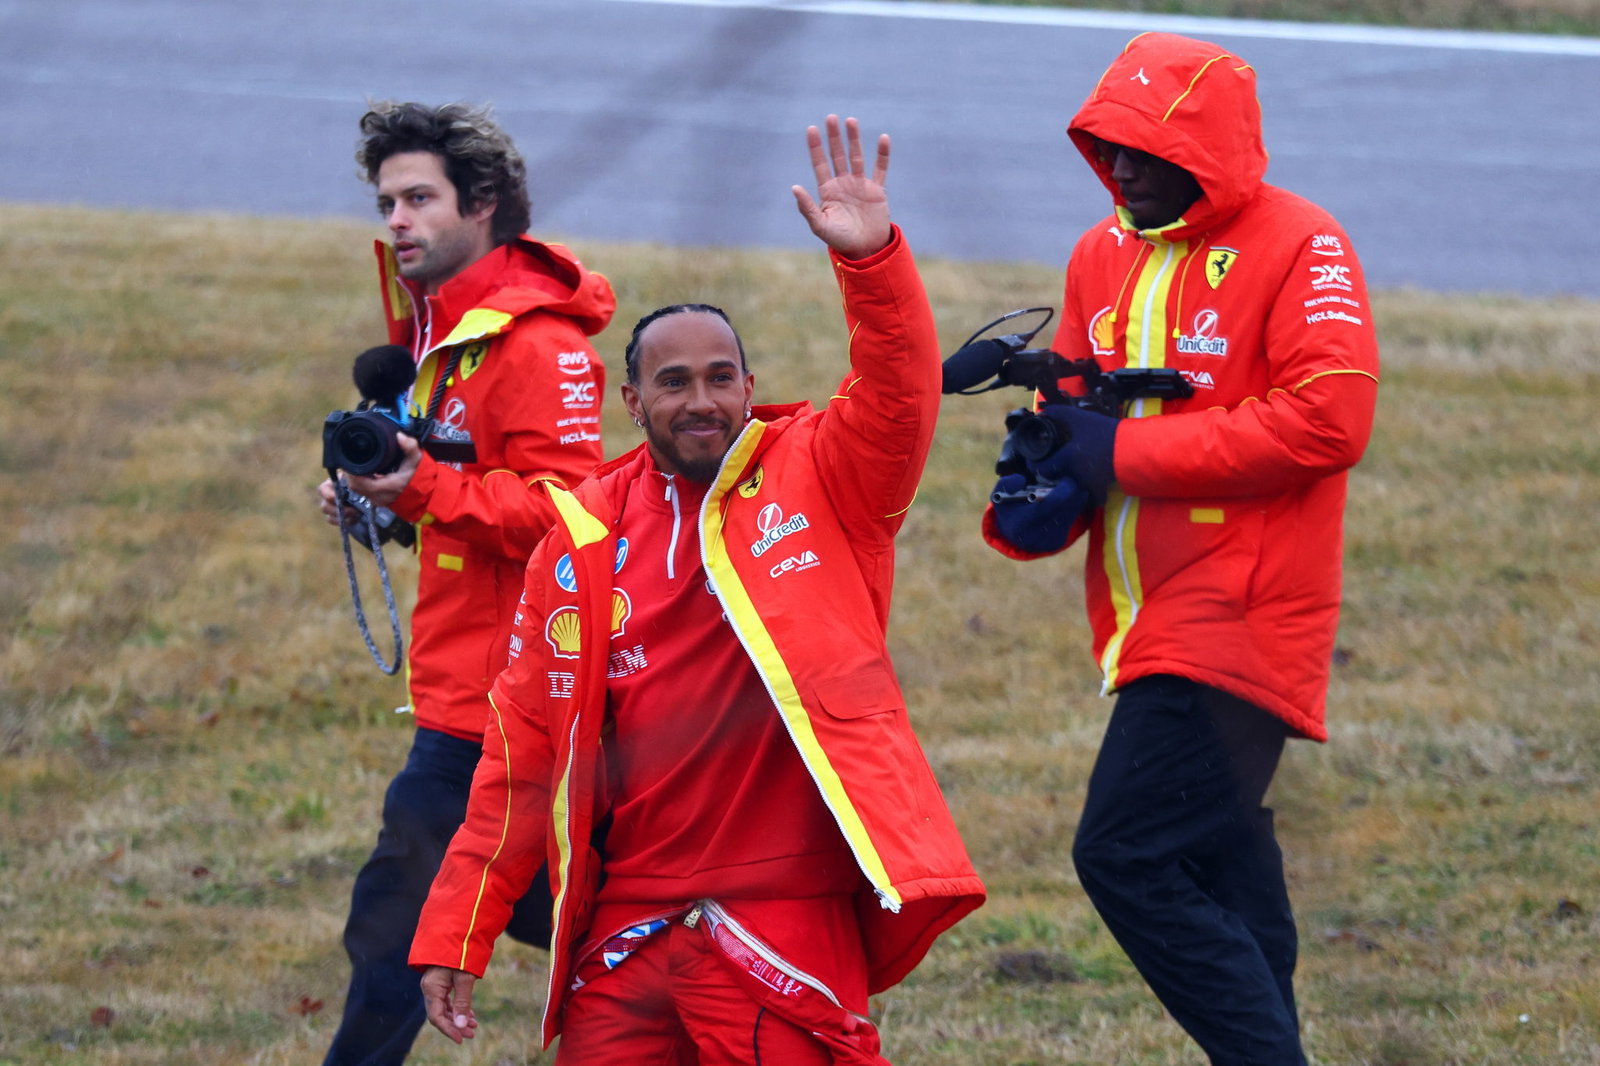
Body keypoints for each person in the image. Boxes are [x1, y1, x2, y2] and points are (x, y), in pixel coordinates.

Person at [409, 115, 985, 1065]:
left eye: (722, 377)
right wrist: (457, 933)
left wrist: (872, 258)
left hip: (780, 917)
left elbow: (899, 392)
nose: (703, 399)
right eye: (673, 383)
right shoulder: (581, 537)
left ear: (751, 386)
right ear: (630, 405)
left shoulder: (822, 476)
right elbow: (518, 757)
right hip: (625, 928)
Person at [980, 33, 1380, 1066]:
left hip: (1240, 620)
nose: (1120, 169)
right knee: (1224, 884)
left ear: (1210, 156)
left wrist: (1127, 449)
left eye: (1145, 150)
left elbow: (1328, 423)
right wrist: (1041, 476)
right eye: (1105, 147)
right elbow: (1070, 410)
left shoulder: (1302, 243)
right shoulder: (1097, 253)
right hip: (1146, 620)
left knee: (1122, 853)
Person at [315, 100, 615, 1066]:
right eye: (386, 201)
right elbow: (466, 500)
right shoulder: (444, 333)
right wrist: (386, 503)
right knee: (557, 907)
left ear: (481, 204)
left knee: (399, 916)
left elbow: (569, 522)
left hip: (502, 697)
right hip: (461, 686)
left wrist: (426, 487)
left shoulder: (539, 345)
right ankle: (695, 982)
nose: (396, 220)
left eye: (418, 199)